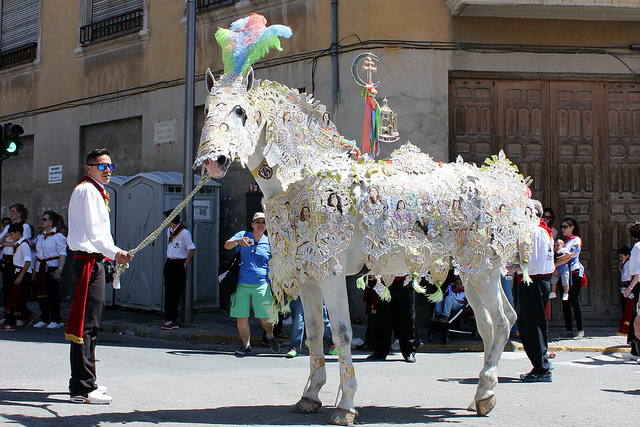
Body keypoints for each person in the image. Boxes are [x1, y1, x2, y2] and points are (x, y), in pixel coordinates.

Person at [66, 148, 132, 404]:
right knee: (84, 326)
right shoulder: (86, 191)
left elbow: (102, 235)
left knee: (92, 324)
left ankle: (88, 380)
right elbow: (95, 234)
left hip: (95, 261)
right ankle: (81, 388)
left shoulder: (96, 192)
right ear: (89, 168)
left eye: (109, 166)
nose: (107, 170)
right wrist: (116, 253)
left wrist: (112, 254)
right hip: (86, 262)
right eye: (101, 166)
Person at [223, 212, 280, 356]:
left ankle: (269, 335)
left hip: (262, 284)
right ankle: (246, 345)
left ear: (267, 225)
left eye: (263, 222)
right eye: (257, 222)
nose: (260, 224)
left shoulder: (270, 241)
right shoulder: (243, 234)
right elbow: (226, 245)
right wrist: (238, 242)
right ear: (252, 224)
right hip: (241, 283)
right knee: (241, 317)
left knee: (266, 319)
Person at [517, 200, 555, 382]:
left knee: (533, 325)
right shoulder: (543, 231)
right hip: (537, 280)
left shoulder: (535, 232)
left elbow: (531, 262)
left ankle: (542, 368)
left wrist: (515, 267)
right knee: (529, 324)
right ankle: (540, 362)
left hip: (534, 281)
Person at [367, 275, 419, 363]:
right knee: (383, 317)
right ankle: (380, 351)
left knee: (407, 316)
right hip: (385, 278)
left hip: (405, 278)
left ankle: (409, 351)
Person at [32, 211, 67, 329]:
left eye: (45, 219)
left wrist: (59, 269)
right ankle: (44, 318)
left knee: (53, 294)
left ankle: (56, 319)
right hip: (40, 268)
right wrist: (34, 271)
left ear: (51, 222)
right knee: (42, 294)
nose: (42, 221)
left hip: (52, 266)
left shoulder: (58, 236)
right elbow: (38, 254)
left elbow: (62, 254)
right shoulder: (41, 236)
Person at [161, 210, 195, 330]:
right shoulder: (169, 231)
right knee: (168, 292)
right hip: (169, 263)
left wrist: (184, 265)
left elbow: (191, 248)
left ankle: (173, 319)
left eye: (166, 218)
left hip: (178, 264)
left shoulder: (184, 232)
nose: (165, 220)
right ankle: (168, 317)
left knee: (175, 293)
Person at [0, 223, 35, 331]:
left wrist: (20, 276)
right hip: (17, 271)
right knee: (14, 297)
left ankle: (11, 322)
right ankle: (25, 316)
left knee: (15, 297)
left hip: (22, 273)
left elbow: (28, 261)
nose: (11, 237)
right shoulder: (18, 244)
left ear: (17, 233)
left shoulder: (24, 245)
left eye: (12, 234)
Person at [556, 217, 585, 339]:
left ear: (572, 228)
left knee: (574, 300)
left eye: (565, 227)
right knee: (565, 302)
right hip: (562, 273)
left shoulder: (575, 240)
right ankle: (568, 329)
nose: (563, 229)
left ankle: (580, 329)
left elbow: (571, 255)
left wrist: (555, 265)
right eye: (562, 227)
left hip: (573, 273)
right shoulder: (563, 242)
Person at [0, 204, 32, 313]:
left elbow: (20, 242)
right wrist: (5, 238)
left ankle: (20, 313)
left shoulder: (25, 226)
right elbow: (1, 241)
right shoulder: (8, 227)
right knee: (6, 287)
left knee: (17, 289)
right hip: (6, 259)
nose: (11, 214)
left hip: (16, 261)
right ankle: (7, 312)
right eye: (10, 211)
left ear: (20, 213)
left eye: (13, 211)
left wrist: (6, 243)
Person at [623, 223, 640, 358]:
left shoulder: (637, 248)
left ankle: (636, 350)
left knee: (636, 317)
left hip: (638, 285)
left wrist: (630, 287)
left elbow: (637, 273)